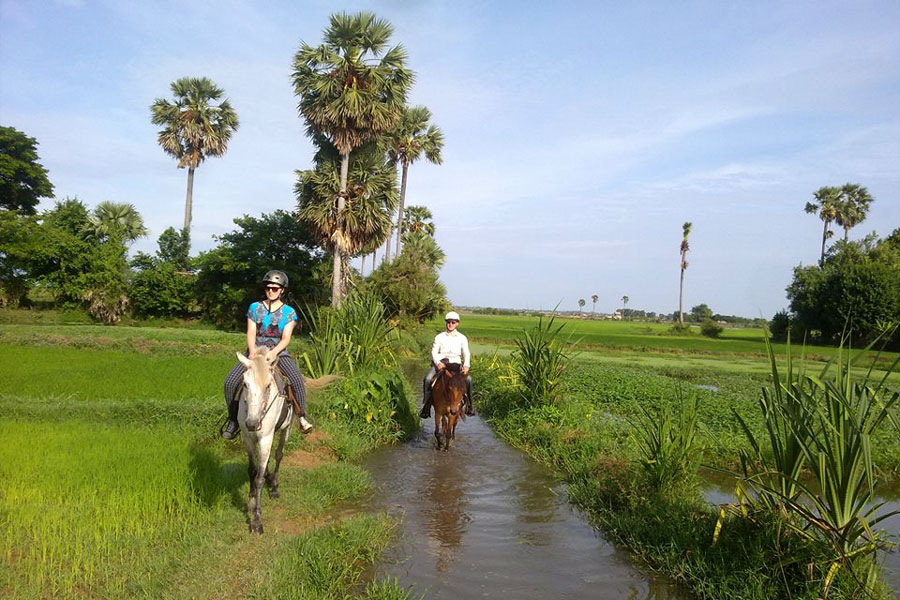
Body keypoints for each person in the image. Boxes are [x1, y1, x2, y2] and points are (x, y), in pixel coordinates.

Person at [221, 270, 313, 439]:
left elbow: (286, 338)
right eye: (268, 288)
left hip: (278, 354)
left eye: (275, 288)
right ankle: (233, 421)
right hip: (255, 353)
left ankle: (302, 417)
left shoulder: (289, 313)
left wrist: (274, 353)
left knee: (297, 380)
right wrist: (252, 352)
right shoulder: (254, 308)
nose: (271, 291)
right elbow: (251, 332)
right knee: (230, 382)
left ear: (282, 290)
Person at [420, 311, 474, 419]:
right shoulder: (439, 337)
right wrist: (438, 363)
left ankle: (469, 406)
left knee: (469, 380)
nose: (450, 324)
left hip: (456, 364)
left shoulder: (462, 338)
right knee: (427, 379)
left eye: (453, 322)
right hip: (442, 364)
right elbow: (434, 352)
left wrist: (466, 365)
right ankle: (426, 407)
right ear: (446, 323)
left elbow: (466, 353)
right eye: (448, 322)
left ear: (457, 323)